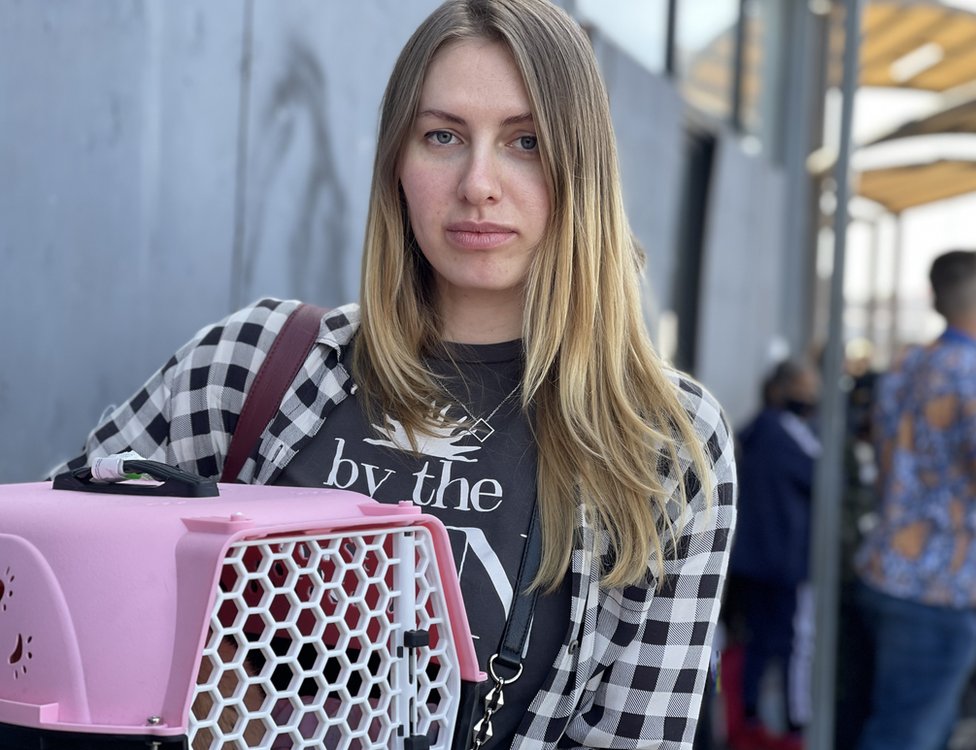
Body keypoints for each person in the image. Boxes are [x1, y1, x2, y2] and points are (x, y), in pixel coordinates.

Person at [51, 1, 737, 747]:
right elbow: (46, 595)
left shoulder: (662, 440)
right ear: (396, 165)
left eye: (526, 141)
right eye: (442, 136)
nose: (479, 183)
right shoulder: (250, 365)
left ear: (583, 169)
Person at [854, 250, 976, 750]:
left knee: (891, 725)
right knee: (909, 736)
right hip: (938, 584)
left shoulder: (908, 362)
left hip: (886, 570)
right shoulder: (967, 371)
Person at [725, 359, 821, 750]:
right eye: (806, 386)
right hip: (783, 563)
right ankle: (795, 724)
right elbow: (821, 477)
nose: (812, 396)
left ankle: (748, 718)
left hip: (752, 562)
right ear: (782, 389)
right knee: (795, 645)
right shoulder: (786, 434)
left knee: (758, 643)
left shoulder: (752, 430)